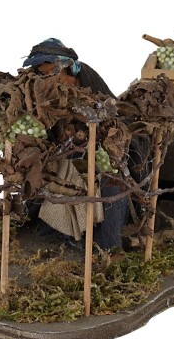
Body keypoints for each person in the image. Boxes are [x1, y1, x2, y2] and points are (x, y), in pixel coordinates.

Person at [23, 39, 127, 250]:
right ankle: (52, 230)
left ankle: (109, 248)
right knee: (44, 179)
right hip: (68, 153)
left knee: (112, 186)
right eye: (42, 74)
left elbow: (111, 122)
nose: (47, 79)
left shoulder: (88, 84)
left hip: (102, 153)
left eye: (52, 72)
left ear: (68, 69)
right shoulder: (47, 92)